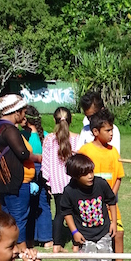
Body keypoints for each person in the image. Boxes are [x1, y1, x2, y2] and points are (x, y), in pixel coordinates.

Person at [77, 108, 128, 261]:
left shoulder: (113, 152)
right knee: (93, 238)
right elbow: (79, 176)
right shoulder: (86, 151)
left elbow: (119, 177)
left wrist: (110, 197)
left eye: (112, 130)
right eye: (108, 130)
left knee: (118, 233)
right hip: (91, 206)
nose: (111, 134)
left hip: (110, 203)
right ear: (95, 132)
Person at [0, 94, 42, 250]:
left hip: (3, 180)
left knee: (8, 216)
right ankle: (22, 248)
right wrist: (37, 158)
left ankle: (9, 245)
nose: (24, 115)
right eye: (23, 111)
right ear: (16, 111)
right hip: (16, 182)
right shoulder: (9, 129)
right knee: (19, 217)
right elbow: (22, 153)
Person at [61, 153, 117, 261]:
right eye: (85, 174)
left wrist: (113, 223)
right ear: (74, 175)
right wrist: (74, 232)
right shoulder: (69, 191)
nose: (90, 176)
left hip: (103, 230)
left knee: (105, 259)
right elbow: (66, 212)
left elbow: (111, 202)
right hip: (84, 234)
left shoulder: (101, 184)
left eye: (91, 171)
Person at [42, 107, 79, 253]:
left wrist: (47, 181)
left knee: (59, 213)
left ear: (54, 120)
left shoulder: (49, 139)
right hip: (72, 181)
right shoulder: (76, 138)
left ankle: (57, 245)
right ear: (70, 120)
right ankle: (76, 244)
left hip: (56, 182)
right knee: (76, 213)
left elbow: (45, 162)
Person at [23, 106, 53, 247]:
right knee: (44, 204)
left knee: (28, 205)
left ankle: (30, 238)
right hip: (44, 171)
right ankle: (47, 239)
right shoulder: (46, 135)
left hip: (28, 171)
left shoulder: (22, 135)